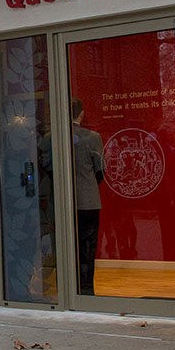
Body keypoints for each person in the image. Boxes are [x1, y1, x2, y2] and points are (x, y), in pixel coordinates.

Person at [70, 98, 104, 296]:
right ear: (81, 114)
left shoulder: (53, 136)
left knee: (71, 246)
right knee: (88, 247)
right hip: (88, 199)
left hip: (66, 201)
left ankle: (72, 288)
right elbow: (101, 169)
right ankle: (87, 289)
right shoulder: (92, 137)